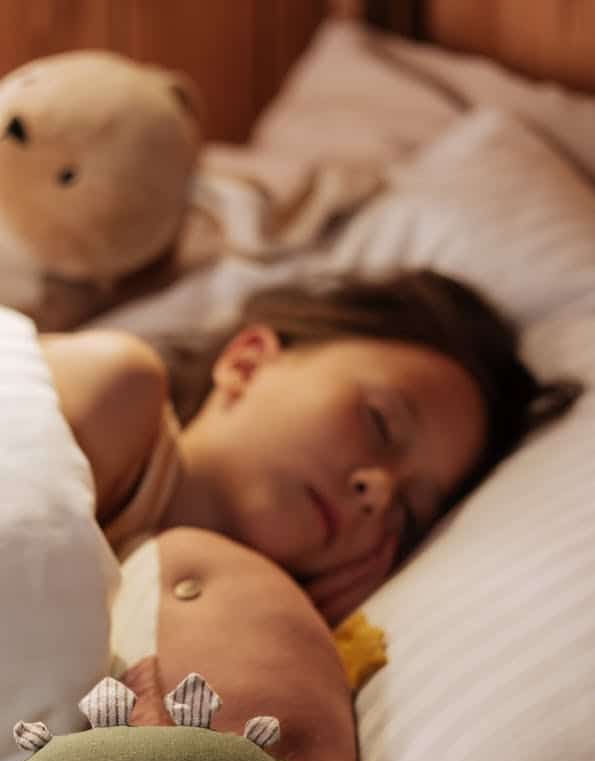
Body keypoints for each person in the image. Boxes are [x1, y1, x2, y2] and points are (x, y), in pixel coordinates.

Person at [42, 268, 578, 626]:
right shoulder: (115, 390)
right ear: (247, 363)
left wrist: (294, 630)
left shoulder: (238, 640)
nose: (380, 490)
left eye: (409, 511)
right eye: (380, 423)